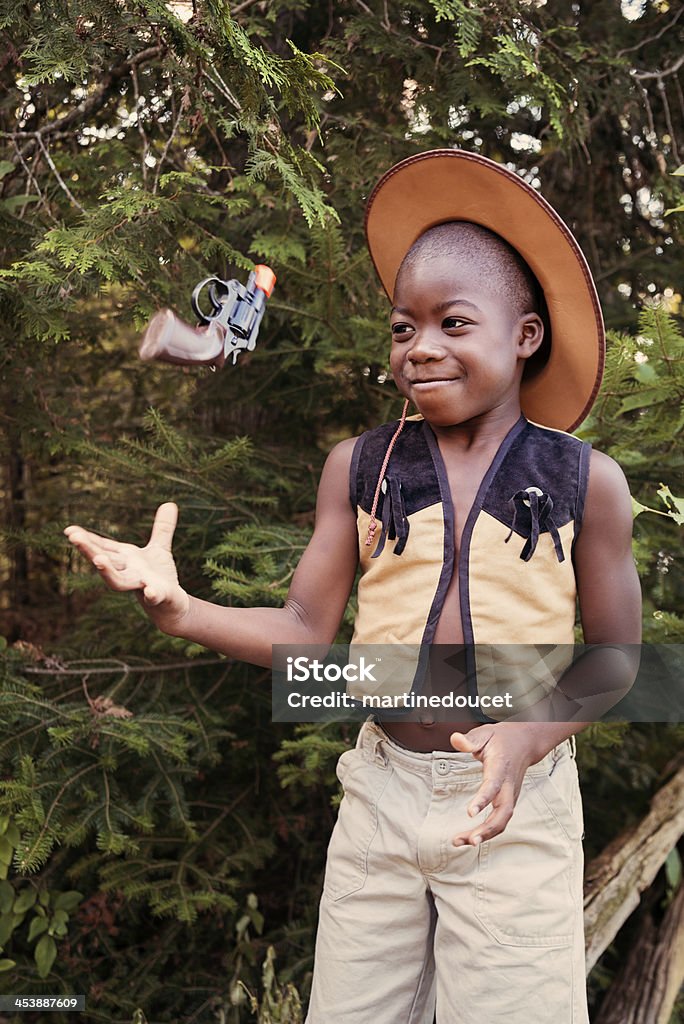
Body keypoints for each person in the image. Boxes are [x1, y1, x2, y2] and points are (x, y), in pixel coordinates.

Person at [64, 150, 642, 1024]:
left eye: (452, 322)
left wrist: (529, 737)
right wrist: (180, 610)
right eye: (403, 328)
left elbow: (617, 661)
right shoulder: (361, 467)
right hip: (380, 793)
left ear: (525, 336)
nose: (421, 348)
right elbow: (305, 625)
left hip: (514, 812)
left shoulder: (583, 483)